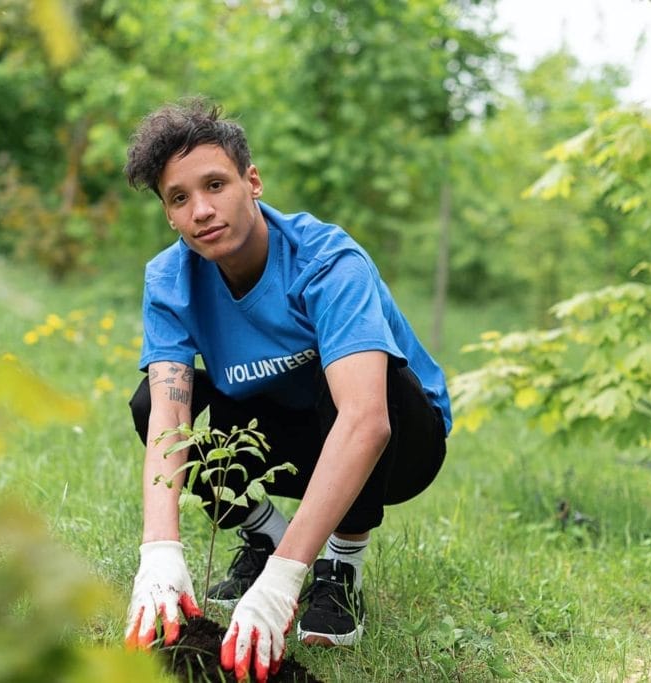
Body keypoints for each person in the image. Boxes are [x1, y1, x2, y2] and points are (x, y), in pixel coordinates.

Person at [122, 99, 451, 683]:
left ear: (252, 182)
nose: (201, 210)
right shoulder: (169, 279)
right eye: (179, 198)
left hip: (399, 443)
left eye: (215, 184)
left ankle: (338, 568)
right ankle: (262, 530)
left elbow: (367, 421)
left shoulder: (326, 260)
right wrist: (160, 553)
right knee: (152, 402)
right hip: (277, 428)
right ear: (168, 215)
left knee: (362, 390)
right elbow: (169, 421)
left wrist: (284, 579)